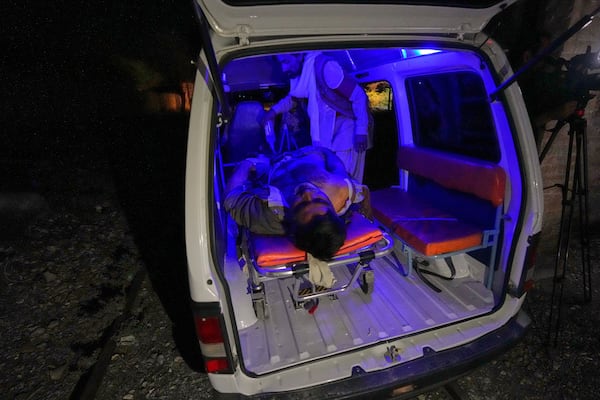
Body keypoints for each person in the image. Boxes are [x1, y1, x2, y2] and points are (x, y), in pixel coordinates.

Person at [224, 146, 372, 263]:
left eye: (301, 204)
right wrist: (323, 150)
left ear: (292, 221)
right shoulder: (340, 192)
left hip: (271, 163)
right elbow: (359, 186)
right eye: (320, 200)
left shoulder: (270, 216)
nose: (307, 193)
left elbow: (231, 198)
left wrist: (247, 164)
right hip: (312, 150)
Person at [263, 52, 372, 182]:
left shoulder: (326, 68)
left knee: (346, 181)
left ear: (299, 56)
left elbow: (359, 95)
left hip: (347, 130)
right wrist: (273, 111)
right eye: (281, 63)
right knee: (331, 180)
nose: (283, 69)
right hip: (327, 133)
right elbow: (293, 99)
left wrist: (361, 131)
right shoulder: (302, 76)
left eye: (286, 62)